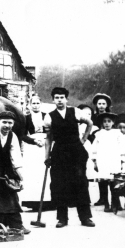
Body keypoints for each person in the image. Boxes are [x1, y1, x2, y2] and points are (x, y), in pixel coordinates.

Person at [44, 87, 95, 228]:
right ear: (53, 99)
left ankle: (85, 218)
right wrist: (47, 156)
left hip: (76, 152)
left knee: (80, 183)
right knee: (59, 184)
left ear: (66, 98)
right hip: (59, 152)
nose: (59, 100)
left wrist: (84, 139)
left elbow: (90, 123)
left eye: (62, 97)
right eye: (56, 97)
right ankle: (62, 218)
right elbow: (48, 139)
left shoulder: (76, 112)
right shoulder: (49, 117)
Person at [91, 112, 125, 212]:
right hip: (103, 161)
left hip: (113, 161)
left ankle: (115, 204)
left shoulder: (117, 133)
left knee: (113, 184)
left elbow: (122, 147)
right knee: (104, 184)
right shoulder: (99, 134)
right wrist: (95, 161)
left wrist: (122, 161)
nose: (106, 123)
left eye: (109, 121)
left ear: (113, 122)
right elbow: (94, 148)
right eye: (104, 121)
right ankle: (106, 204)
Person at [20, 95, 49, 209]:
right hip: (32, 147)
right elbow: (22, 135)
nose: (36, 106)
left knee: (45, 171)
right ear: (29, 105)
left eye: (38, 103)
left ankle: (48, 202)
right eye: (33, 103)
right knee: (34, 173)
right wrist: (33, 141)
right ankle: (33, 202)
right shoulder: (26, 118)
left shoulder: (47, 116)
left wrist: (46, 141)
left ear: (41, 104)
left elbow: (52, 131)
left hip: (46, 145)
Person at [91, 93, 113, 206]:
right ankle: (102, 198)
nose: (101, 106)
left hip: (109, 146)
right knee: (100, 172)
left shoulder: (111, 117)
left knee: (112, 173)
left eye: (103, 103)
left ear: (107, 105)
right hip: (97, 144)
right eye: (99, 103)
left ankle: (114, 200)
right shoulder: (93, 117)